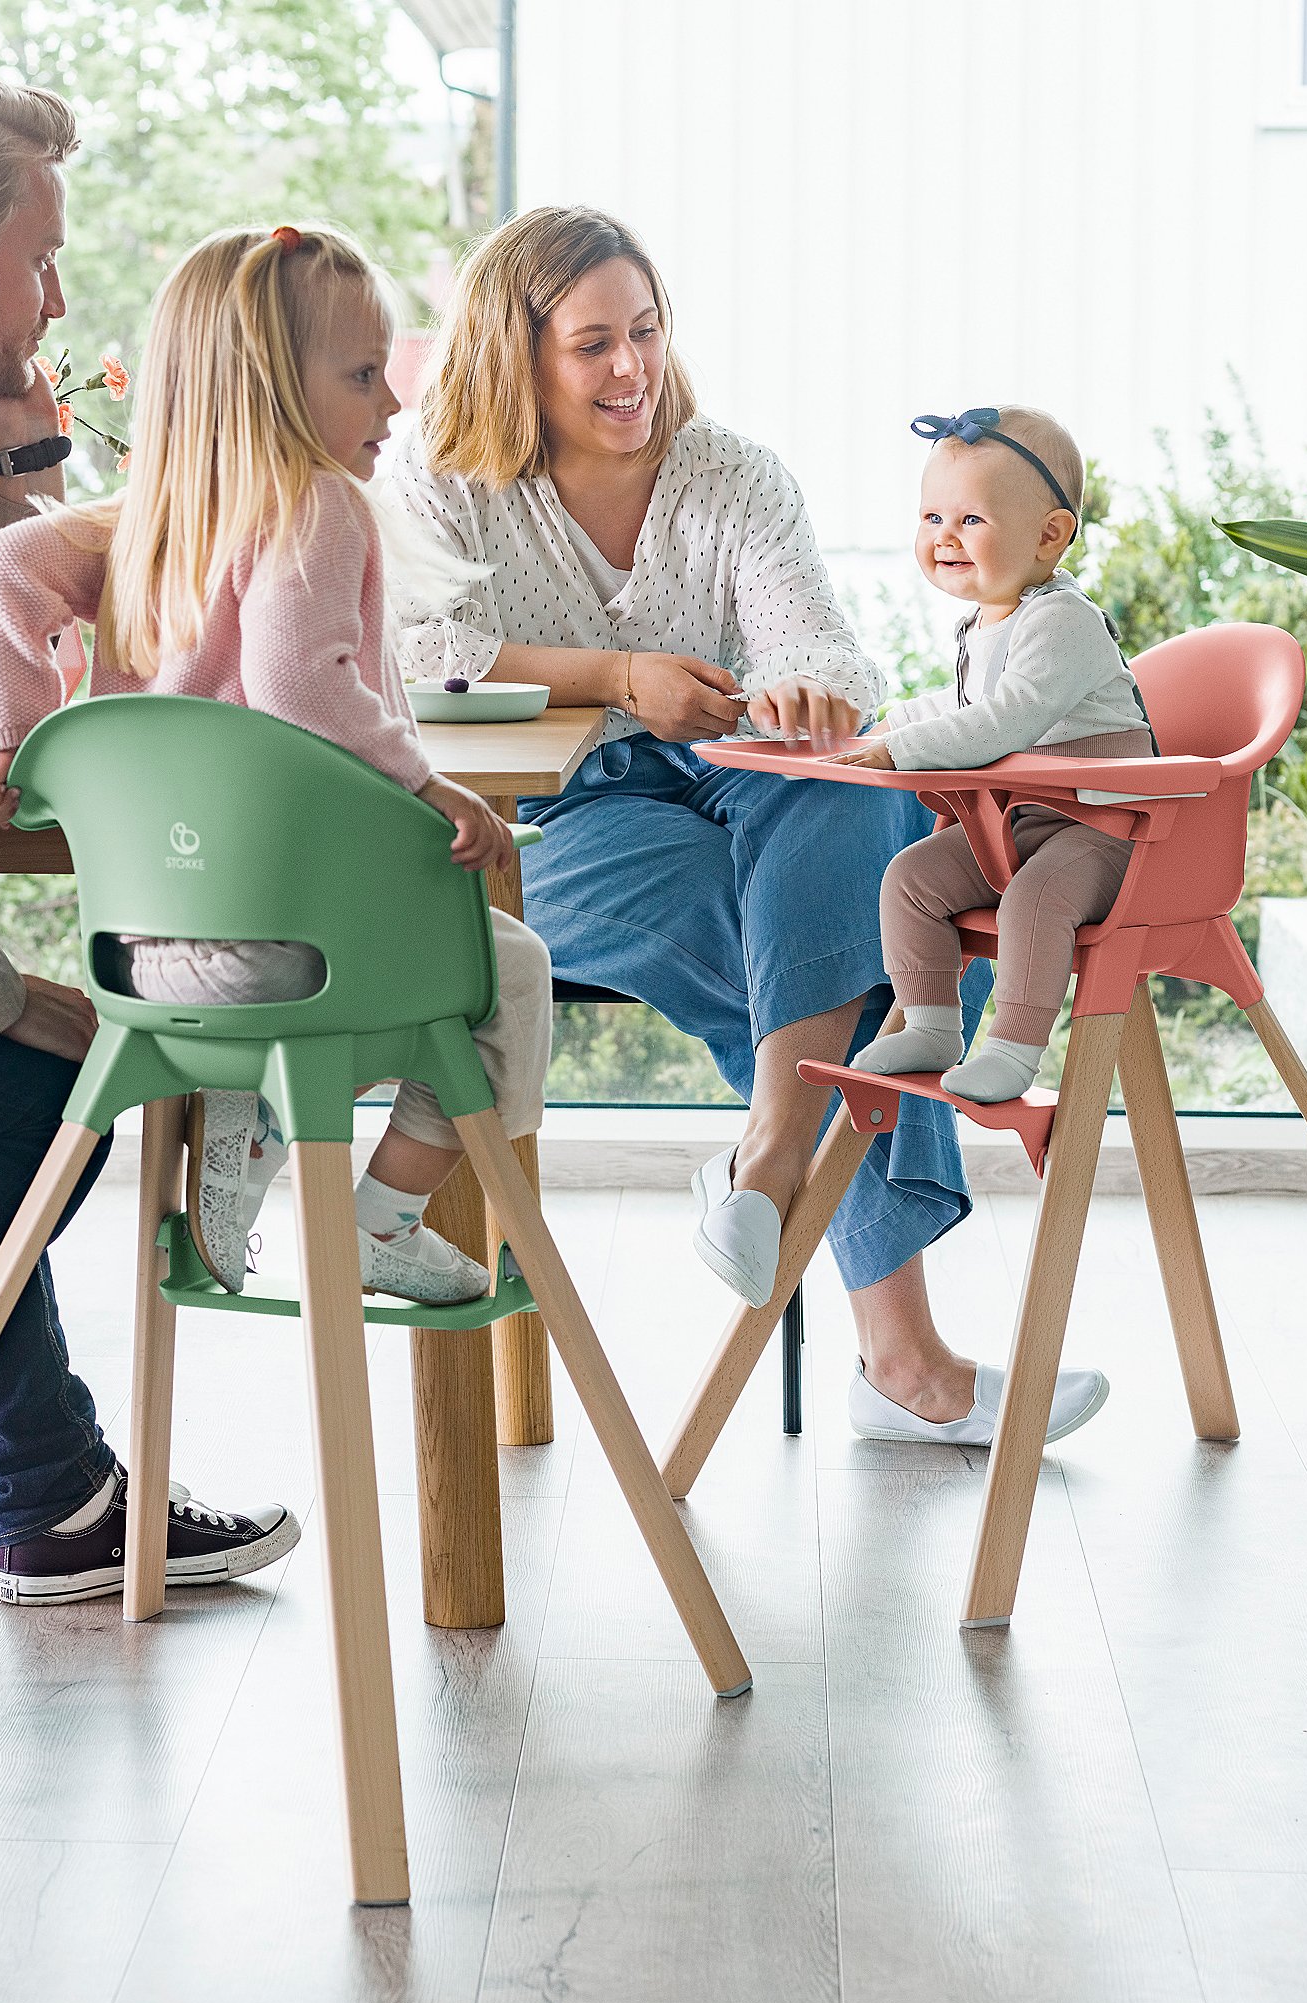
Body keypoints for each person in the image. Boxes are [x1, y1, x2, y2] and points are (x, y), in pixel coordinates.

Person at [387, 206, 1109, 1450]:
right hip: (558, 818)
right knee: (835, 966)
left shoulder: (729, 471)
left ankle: (769, 1163)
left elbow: (813, 637)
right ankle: (904, 1361)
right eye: (593, 345)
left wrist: (802, 689)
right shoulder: (437, 478)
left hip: (741, 777)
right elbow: (413, 654)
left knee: (832, 789)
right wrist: (618, 677)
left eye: (648, 333)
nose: (633, 371)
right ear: (517, 355)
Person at [0, 73, 297, 1732]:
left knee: (27, 1085)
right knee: (35, 1088)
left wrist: (26, 462)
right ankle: (45, 1497)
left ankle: (56, 1504)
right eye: (41, 257)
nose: (58, 297)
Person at [0, 224, 553, 1307]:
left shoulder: (142, 526)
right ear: (275, 388)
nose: (393, 406)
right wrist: (425, 787)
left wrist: (10, 733)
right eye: (365, 376)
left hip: (148, 957)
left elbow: (5, 565)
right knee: (506, 971)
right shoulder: (318, 505)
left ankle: (255, 1106)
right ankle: (384, 1217)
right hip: (298, 955)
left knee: (398, 966)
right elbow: (303, 686)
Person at [843, 404, 1154, 1105]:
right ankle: (930, 1025)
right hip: (1022, 825)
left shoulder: (1063, 621)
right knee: (911, 878)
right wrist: (872, 733)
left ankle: (1014, 1049)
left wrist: (900, 753)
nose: (945, 537)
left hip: (1107, 829)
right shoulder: (983, 623)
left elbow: (1003, 721)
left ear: (1050, 536)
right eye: (932, 519)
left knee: (1035, 900)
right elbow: (956, 708)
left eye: (970, 521)